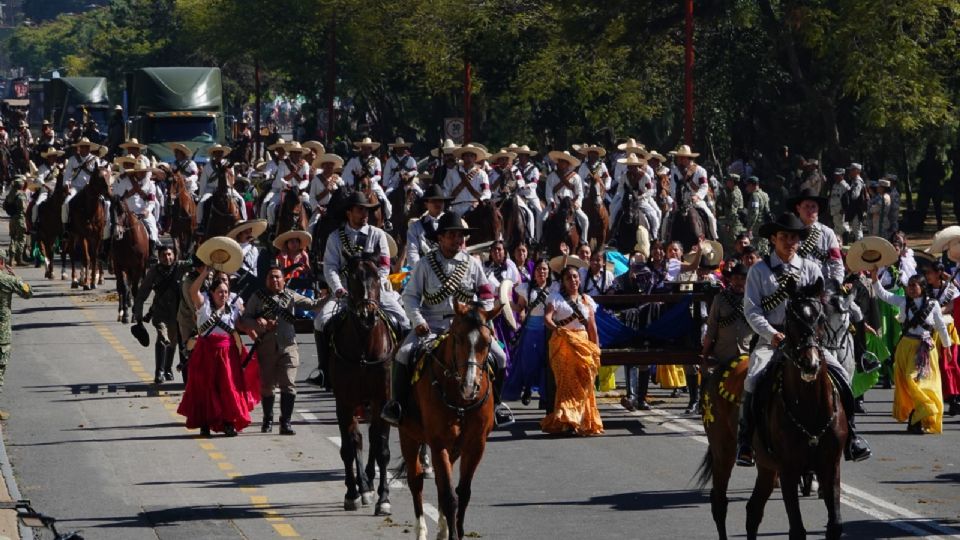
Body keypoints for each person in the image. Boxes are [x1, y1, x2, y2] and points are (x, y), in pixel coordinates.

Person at [737, 212, 871, 466]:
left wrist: (816, 331)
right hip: (772, 338)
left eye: (794, 238)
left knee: (842, 374)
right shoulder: (759, 271)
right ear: (774, 239)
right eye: (784, 237)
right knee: (753, 379)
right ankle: (746, 441)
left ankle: (852, 435)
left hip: (808, 340)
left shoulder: (810, 268)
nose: (790, 242)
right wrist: (771, 334)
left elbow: (819, 306)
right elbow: (751, 309)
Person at [382, 211, 512, 426]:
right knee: (403, 355)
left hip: (468, 326)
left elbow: (487, 294)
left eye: (460, 235)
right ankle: (397, 405)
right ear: (440, 238)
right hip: (432, 323)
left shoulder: (472, 263)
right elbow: (410, 296)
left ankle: (497, 405)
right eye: (452, 235)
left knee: (500, 357)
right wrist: (418, 321)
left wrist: (482, 318)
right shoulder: (425, 264)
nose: (457, 240)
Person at [177, 263, 260, 436]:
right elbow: (193, 291)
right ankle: (205, 423)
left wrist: (256, 337)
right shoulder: (203, 302)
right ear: (213, 293)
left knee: (228, 387)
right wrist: (205, 273)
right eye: (219, 292)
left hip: (227, 353)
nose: (223, 295)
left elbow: (242, 324)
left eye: (226, 291)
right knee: (205, 387)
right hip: (205, 351)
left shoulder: (234, 303)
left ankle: (229, 422)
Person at [240, 266, 322, 435]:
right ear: (266, 280)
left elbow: (313, 305)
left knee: (288, 385)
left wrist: (332, 296)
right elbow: (245, 318)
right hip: (266, 347)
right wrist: (259, 322)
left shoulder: (291, 295)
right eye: (271, 277)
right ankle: (268, 419)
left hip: (288, 347)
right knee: (267, 386)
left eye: (278, 277)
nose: (274, 280)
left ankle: (286, 422)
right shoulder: (257, 297)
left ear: (284, 280)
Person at [871, 268, 952, 434]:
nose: (911, 289)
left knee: (916, 380)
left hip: (925, 350)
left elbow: (941, 326)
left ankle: (921, 413)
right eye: (909, 286)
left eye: (914, 286)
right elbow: (883, 294)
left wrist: (947, 346)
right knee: (907, 383)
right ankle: (915, 417)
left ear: (922, 286)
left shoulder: (933, 304)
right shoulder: (903, 301)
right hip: (906, 347)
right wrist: (874, 277)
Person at [541, 259, 604, 436]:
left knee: (585, 381)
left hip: (583, 344)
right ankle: (567, 421)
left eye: (575, 277)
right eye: (568, 277)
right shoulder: (556, 299)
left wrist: (595, 350)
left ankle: (581, 419)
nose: (573, 280)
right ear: (563, 281)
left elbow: (592, 328)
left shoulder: (587, 301)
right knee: (567, 382)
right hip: (563, 344)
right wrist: (558, 330)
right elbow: (547, 318)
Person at [133, 244, 191, 384]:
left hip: (178, 313)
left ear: (174, 255)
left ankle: (168, 369)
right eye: (164, 255)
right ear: (159, 257)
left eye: (170, 254)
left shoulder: (181, 267)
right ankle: (158, 372)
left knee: (173, 341)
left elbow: (196, 263)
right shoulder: (154, 271)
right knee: (162, 337)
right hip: (160, 312)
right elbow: (142, 294)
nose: (167, 257)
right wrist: (138, 316)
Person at [505, 258, 555, 406]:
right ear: (534, 272)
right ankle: (527, 388)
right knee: (528, 362)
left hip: (548, 330)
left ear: (548, 272)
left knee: (546, 363)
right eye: (539, 269)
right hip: (530, 331)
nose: (542, 272)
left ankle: (544, 395)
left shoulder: (554, 288)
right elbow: (519, 308)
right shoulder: (526, 288)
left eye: (545, 269)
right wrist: (504, 301)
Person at [922, 261, 960, 416]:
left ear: (938, 273)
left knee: (948, 365)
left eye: (929, 272)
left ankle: (954, 398)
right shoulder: (924, 288)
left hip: (947, 331)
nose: (927, 276)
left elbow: (950, 306)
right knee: (931, 366)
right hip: (930, 331)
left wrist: (935, 311)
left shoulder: (951, 290)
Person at [788, 188, 844, 282]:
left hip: (822, 284)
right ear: (798, 208)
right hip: (796, 284)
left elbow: (837, 264)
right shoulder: (790, 231)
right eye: (806, 206)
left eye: (813, 206)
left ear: (818, 209)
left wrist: (835, 287)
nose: (810, 210)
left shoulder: (828, 233)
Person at [0, 252, 33, 404]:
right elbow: (28, 293)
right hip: (2, 335)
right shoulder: (8, 280)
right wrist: (17, 277)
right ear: (2, 263)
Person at [670, 145, 718, 239]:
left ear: (688, 158)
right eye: (679, 157)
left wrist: (697, 196)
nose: (679, 160)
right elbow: (672, 186)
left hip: (696, 200)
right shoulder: (675, 171)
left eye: (681, 157)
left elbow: (704, 186)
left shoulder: (700, 170)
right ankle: (665, 239)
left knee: (710, 217)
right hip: (680, 201)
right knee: (667, 218)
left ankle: (714, 238)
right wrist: (675, 198)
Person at [539, 151, 588, 241]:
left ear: (568, 163)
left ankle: (583, 241)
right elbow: (548, 192)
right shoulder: (551, 176)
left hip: (571, 205)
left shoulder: (576, 177)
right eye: (560, 161)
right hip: (556, 204)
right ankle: (540, 241)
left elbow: (580, 193)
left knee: (584, 219)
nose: (561, 163)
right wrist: (552, 203)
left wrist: (578, 203)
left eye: (563, 162)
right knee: (541, 218)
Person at [405, 185, 449, 267]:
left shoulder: (451, 223)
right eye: (433, 201)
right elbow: (412, 253)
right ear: (426, 204)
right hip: (425, 270)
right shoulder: (415, 227)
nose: (438, 204)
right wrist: (423, 272)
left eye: (440, 201)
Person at [443, 144, 491, 215]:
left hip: (475, 209)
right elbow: (446, 191)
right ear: (463, 157)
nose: (469, 158)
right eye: (467, 156)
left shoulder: (482, 174)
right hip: (455, 209)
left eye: (471, 156)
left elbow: (486, 192)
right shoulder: (452, 173)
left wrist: (479, 202)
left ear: (475, 158)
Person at [915, 144, 945, 230]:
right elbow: (943, 175)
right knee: (937, 207)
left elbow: (917, 174)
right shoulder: (938, 163)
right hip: (935, 187)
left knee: (923, 207)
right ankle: (939, 225)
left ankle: (920, 225)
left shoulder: (923, 163)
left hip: (925, 187)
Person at [715, 173, 745, 254]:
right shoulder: (733, 191)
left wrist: (728, 224)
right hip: (733, 222)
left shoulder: (734, 193)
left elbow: (733, 211)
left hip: (734, 224)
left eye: (728, 180)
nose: (726, 182)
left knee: (733, 245)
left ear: (732, 182)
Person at [3, 178, 29, 266]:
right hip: (20, 219)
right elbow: (24, 208)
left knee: (13, 239)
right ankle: (19, 259)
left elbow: (4, 206)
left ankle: (11, 258)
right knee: (22, 239)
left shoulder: (10, 194)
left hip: (12, 219)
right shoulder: (21, 195)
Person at [742, 176, 769, 254]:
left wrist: (750, 227)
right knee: (764, 247)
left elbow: (755, 212)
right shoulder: (765, 194)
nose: (746, 188)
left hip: (757, 227)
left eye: (747, 185)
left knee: (756, 249)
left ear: (751, 185)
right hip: (764, 225)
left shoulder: (755, 196)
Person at [828, 168, 849, 240]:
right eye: (835, 175)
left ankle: (846, 242)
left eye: (838, 175)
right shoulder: (834, 185)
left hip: (841, 211)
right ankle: (838, 244)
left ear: (842, 175)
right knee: (836, 228)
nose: (836, 177)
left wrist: (844, 209)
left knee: (844, 227)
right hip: (834, 210)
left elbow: (847, 199)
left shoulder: (845, 186)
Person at [846, 163, 867, 241]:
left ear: (857, 171)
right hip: (855, 210)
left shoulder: (857, 182)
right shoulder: (854, 181)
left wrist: (847, 192)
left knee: (858, 232)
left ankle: (861, 250)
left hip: (857, 210)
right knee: (856, 230)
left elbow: (855, 195)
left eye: (852, 170)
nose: (850, 172)